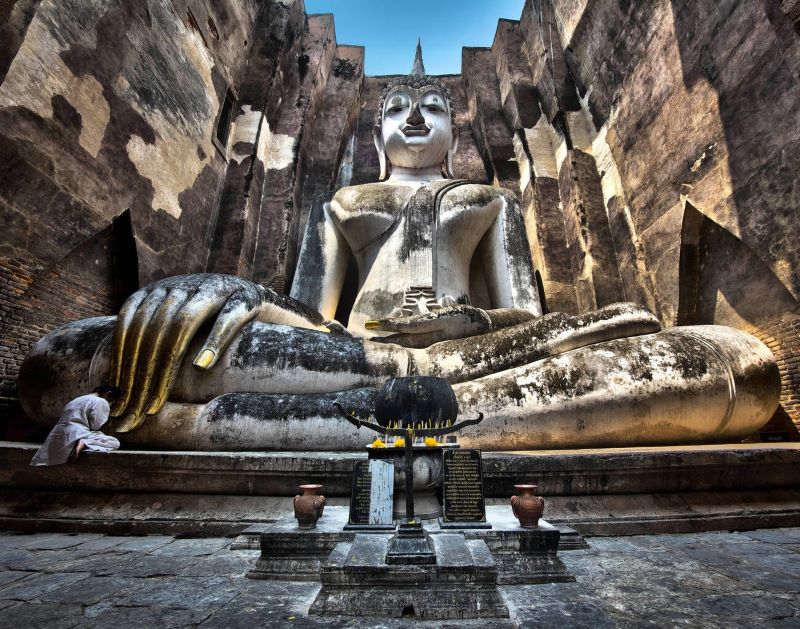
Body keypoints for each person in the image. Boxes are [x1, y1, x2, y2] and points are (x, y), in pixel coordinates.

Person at [17, 47, 780, 451]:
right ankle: (425, 414)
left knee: (739, 367)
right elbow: (308, 316)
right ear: (374, 130)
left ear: (457, 126)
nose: (415, 118)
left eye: (433, 107)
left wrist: (466, 327)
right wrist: (235, 292)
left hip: (479, 363)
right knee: (68, 358)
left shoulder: (490, 201)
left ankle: (188, 428)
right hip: (353, 358)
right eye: (399, 108)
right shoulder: (344, 202)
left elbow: (523, 312)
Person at [29, 385, 122, 466]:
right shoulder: (101, 401)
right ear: (108, 394)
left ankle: (82, 442)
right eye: (112, 401)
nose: (110, 403)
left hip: (56, 435)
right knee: (114, 442)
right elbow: (96, 425)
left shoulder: (77, 399)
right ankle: (84, 442)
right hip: (76, 433)